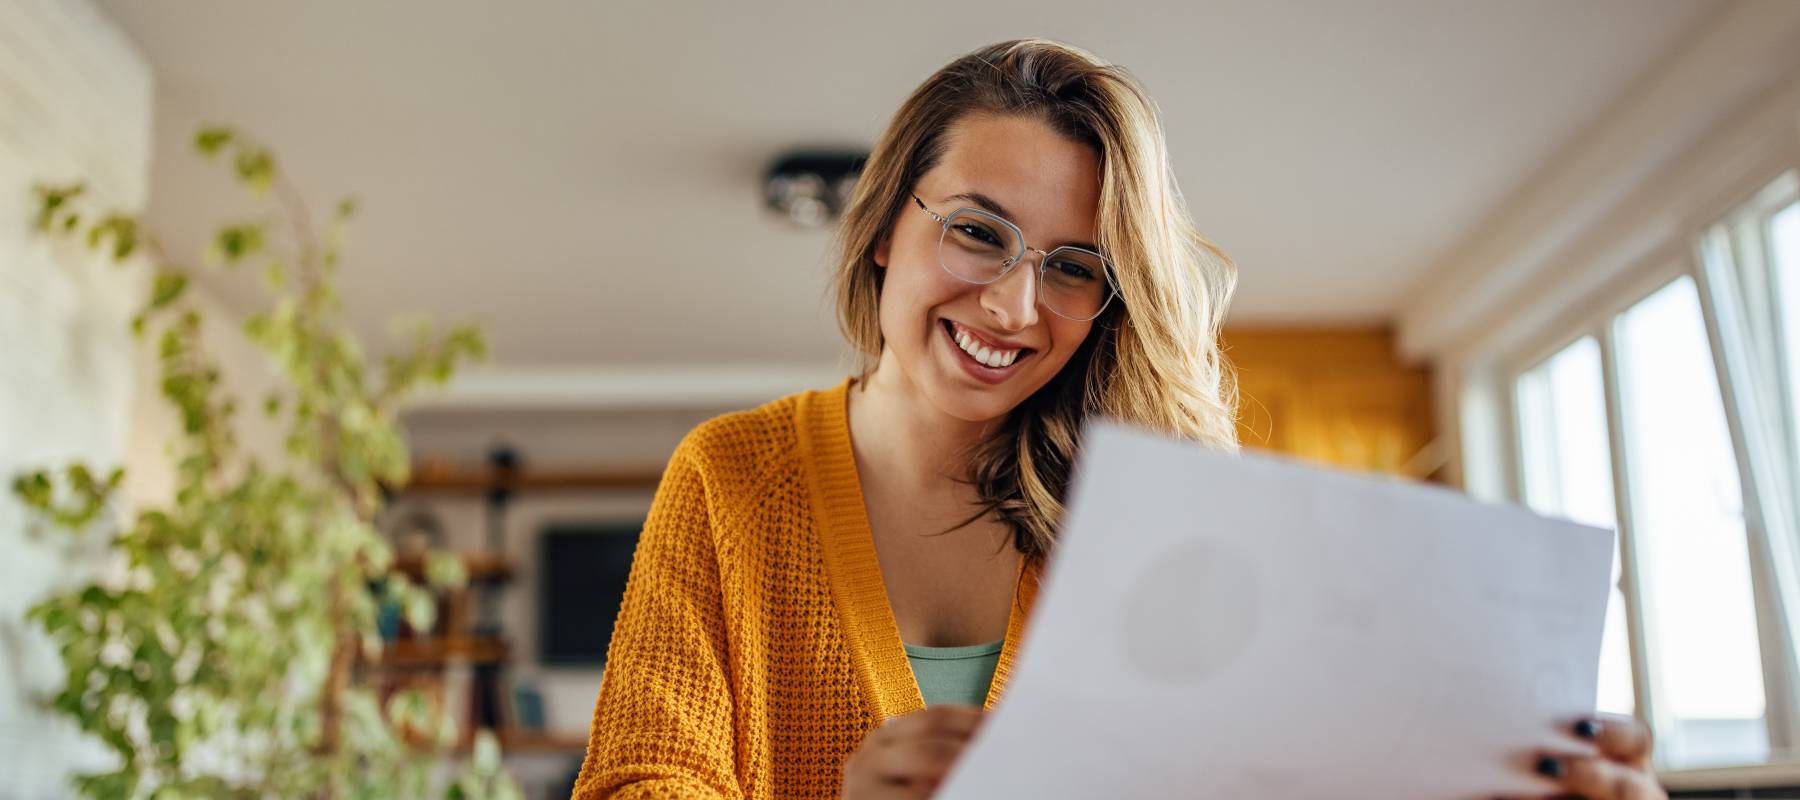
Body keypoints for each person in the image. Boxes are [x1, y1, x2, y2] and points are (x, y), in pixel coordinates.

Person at [572, 39, 1664, 800]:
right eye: (977, 231)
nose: (1013, 303)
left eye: (1073, 266)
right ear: (882, 229)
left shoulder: (1153, 515)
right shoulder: (731, 477)